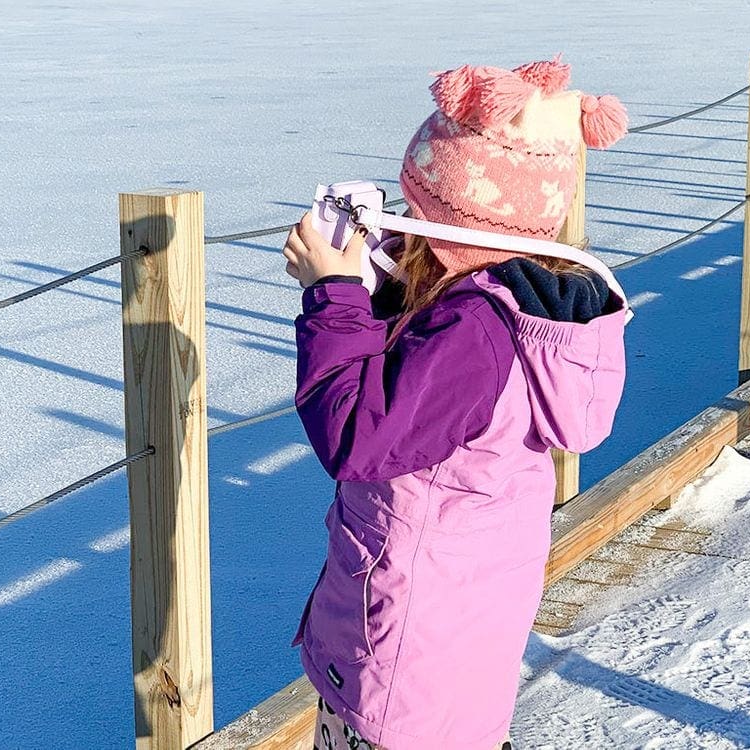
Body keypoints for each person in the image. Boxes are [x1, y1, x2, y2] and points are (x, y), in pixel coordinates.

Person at [282, 57, 629, 750]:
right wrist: (378, 284)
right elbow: (419, 400)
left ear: (459, 221)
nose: (405, 222)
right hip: (453, 643)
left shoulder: (473, 331)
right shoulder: (513, 306)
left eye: (417, 210)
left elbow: (358, 436)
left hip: (404, 659)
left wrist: (333, 297)